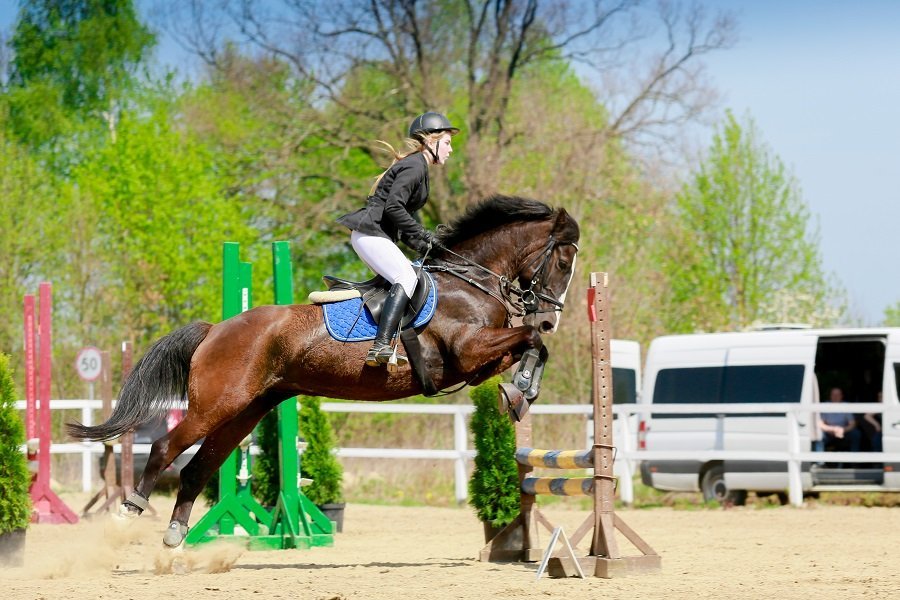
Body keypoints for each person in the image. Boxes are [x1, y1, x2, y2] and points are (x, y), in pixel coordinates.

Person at [336, 111, 459, 368]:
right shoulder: (415, 166)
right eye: (447, 143)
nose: (450, 150)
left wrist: (425, 243)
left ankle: (387, 343)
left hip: (376, 236)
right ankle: (380, 345)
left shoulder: (419, 168)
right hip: (370, 234)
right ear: (430, 141)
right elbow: (393, 208)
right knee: (406, 277)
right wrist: (422, 234)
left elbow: (403, 222)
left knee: (405, 277)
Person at [817, 386, 862, 455]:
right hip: (829, 432)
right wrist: (832, 429)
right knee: (819, 435)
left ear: (842, 396)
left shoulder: (846, 406)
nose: (835, 397)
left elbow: (852, 424)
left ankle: (855, 461)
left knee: (856, 434)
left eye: (838, 395)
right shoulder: (825, 405)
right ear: (830, 396)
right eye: (833, 395)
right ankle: (819, 462)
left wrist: (842, 430)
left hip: (844, 431)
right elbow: (820, 424)